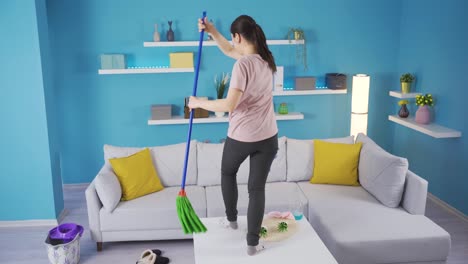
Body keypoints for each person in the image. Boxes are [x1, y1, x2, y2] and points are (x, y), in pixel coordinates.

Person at [189, 15, 278, 256]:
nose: (231, 43)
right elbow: (229, 50)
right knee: (256, 189)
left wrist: (199, 103)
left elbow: (230, 104)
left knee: (228, 172)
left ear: (238, 37)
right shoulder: (266, 60)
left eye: (232, 37)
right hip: (268, 138)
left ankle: (231, 220)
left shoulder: (242, 65)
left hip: (241, 137)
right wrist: (212, 30)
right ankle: (252, 244)